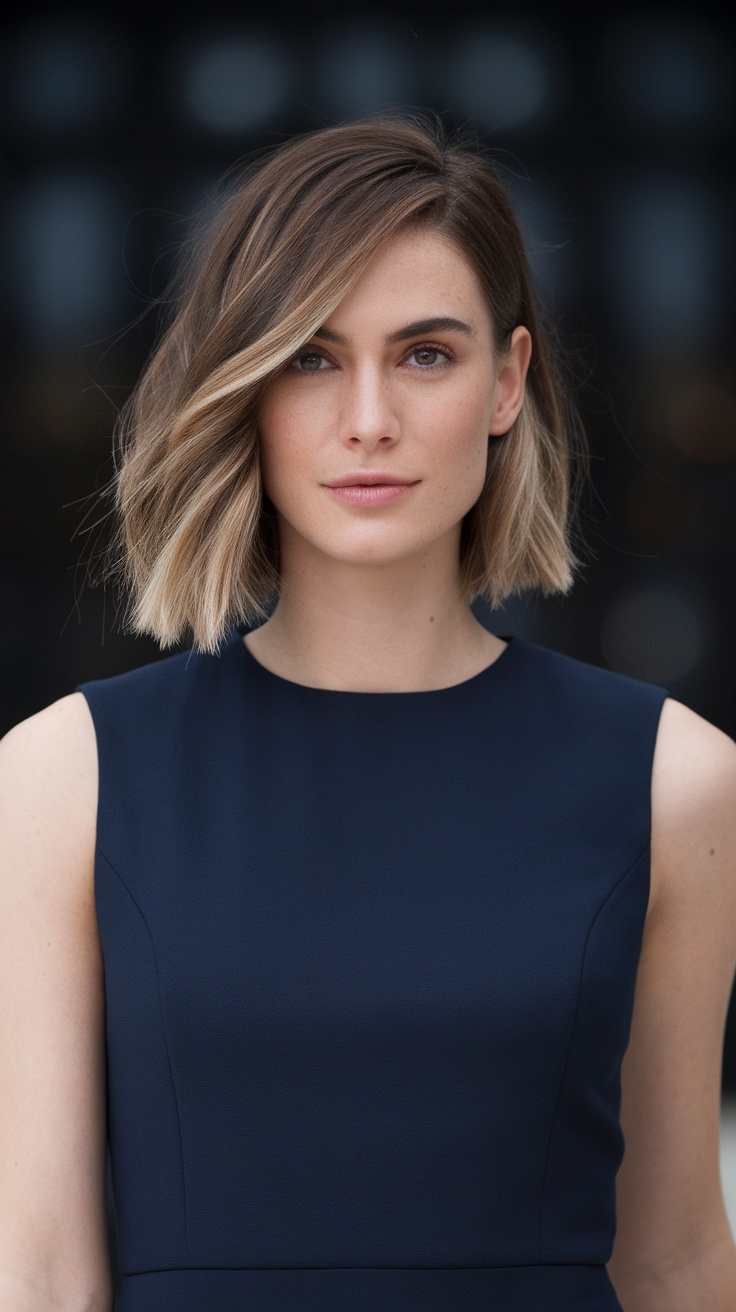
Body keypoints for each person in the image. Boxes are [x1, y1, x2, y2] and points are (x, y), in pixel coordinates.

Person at [1, 112, 735, 1312]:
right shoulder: (64, 778)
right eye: (310, 356)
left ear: (507, 381)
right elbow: (36, 1271)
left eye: (425, 354)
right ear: (241, 385)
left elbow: (671, 1255)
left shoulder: (673, 779)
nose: (368, 421)